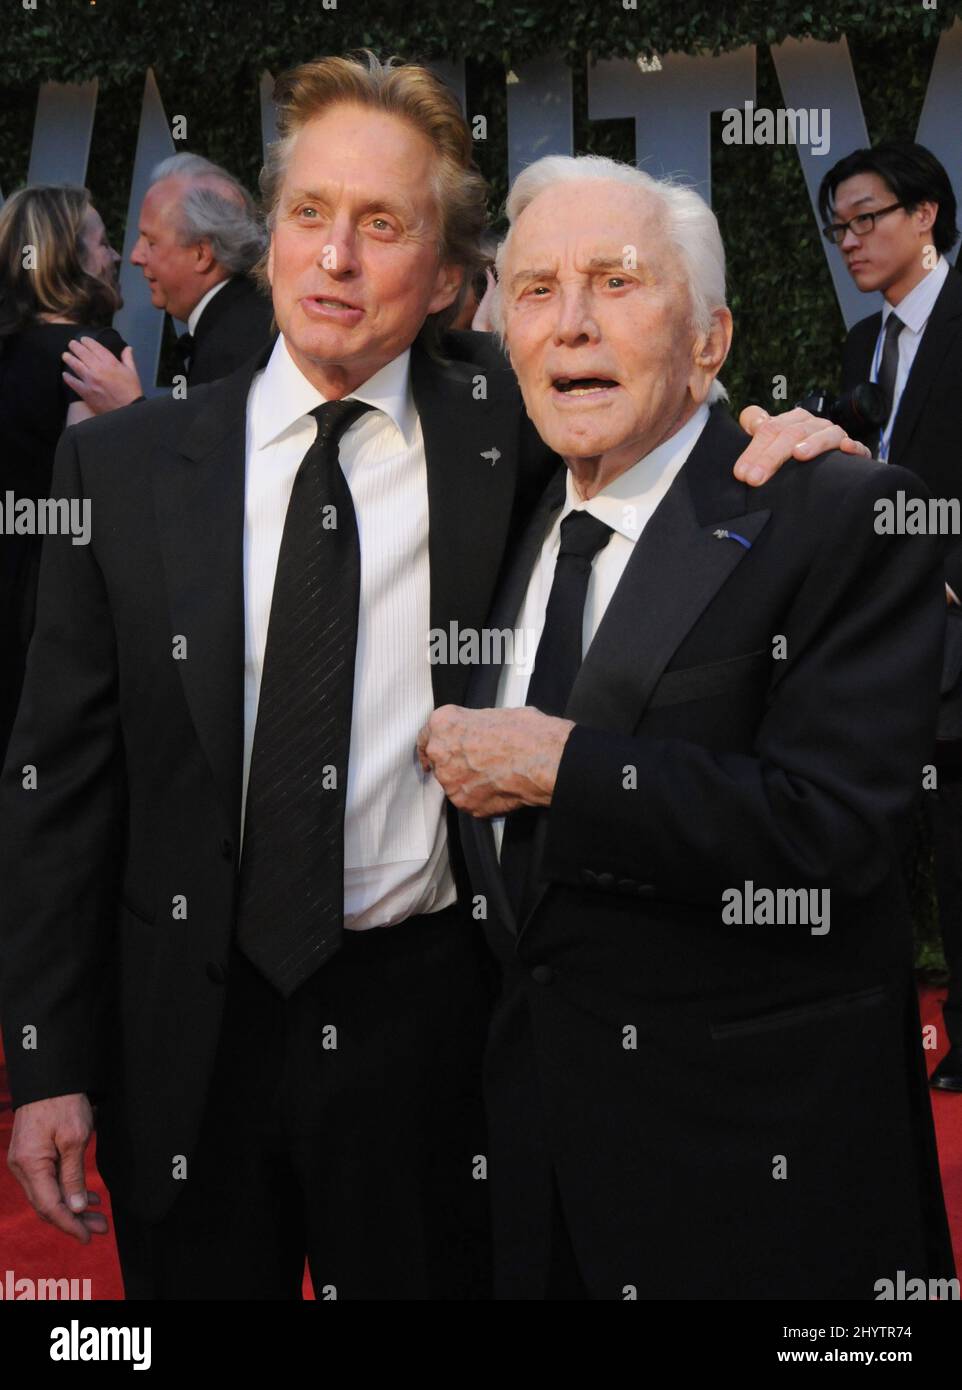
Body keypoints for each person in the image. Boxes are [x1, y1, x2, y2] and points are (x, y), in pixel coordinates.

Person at [0, 54, 866, 1302]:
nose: (336, 259)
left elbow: (668, 429)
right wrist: (47, 1061)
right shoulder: (124, 475)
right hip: (181, 1032)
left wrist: (799, 453)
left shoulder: (512, 434)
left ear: (450, 276)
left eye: (382, 224)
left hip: (432, 1033)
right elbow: (56, 791)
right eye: (309, 215)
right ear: (268, 241)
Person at [419, 153, 955, 1300]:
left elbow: (830, 836)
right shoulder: (500, 512)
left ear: (709, 341)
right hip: (533, 1176)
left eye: (616, 283)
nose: (569, 325)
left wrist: (566, 767)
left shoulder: (834, 509)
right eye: (533, 289)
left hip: (751, 1188)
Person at [819, 141, 962, 1093]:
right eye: (840, 227)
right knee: (920, 830)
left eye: (869, 218)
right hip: (894, 632)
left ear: (927, 215)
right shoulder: (862, 345)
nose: (852, 241)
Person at [0, 184, 126, 762]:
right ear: (67, 259)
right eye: (102, 242)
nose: (116, 255)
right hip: (48, 605)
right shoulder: (92, 355)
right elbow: (92, 498)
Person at [62, 152, 274, 409]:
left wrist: (129, 408)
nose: (134, 256)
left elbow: (214, 448)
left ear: (201, 254)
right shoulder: (244, 317)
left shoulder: (234, 344)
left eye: (151, 242)